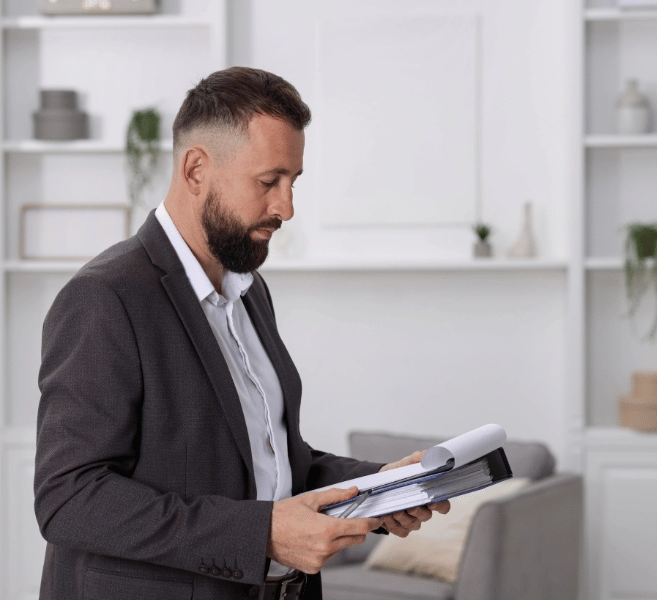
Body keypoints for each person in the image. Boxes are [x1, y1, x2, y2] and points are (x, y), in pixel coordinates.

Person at [34, 66, 450, 600]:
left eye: (293, 182)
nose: (287, 207)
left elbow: (272, 460)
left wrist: (379, 485)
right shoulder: (105, 298)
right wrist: (265, 534)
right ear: (195, 170)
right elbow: (69, 498)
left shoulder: (249, 291)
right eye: (268, 182)